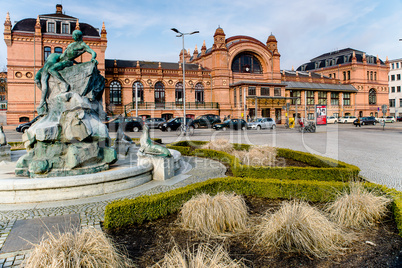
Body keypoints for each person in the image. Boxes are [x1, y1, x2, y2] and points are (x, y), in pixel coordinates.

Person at [34, 30, 98, 115]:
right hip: (62, 60)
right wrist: (77, 63)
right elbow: (68, 54)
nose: (72, 37)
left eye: (74, 35)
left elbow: (93, 52)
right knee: (46, 72)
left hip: (66, 62)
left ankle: (64, 83)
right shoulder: (71, 44)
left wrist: (93, 58)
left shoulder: (82, 45)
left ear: (78, 36)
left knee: (51, 69)